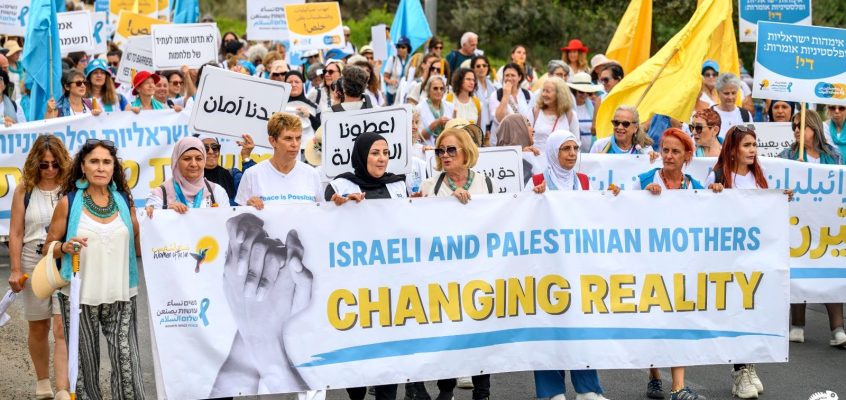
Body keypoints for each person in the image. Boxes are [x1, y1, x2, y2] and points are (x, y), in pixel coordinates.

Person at [44, 138, 145, 400]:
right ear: (83, 167)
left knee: (127, 362)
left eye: (107, 162)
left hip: (122, 294)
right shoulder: (68, 202)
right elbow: (48, 247)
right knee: (85, 366)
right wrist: (64, 247)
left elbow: (138, 245)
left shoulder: (124, 201)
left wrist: (154, 222)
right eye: (94, 161)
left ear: (114, 167)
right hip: (79, 296)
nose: (101, 167)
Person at [617, 129, 704, 400]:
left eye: (675, 151)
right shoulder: (645, 179)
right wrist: (642, 197)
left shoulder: (695, 186)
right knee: (653, 321)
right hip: (648, 265)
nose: (668, 156)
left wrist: (716, 193)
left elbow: (712, 214)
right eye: (665, 150)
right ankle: (654, 375)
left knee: (679, 319)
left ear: (687, 156)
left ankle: (678, 387)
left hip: (681, 266)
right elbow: (618, 207)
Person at [526, 132, 611, 400]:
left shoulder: (584, 182)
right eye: (565, 149)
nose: (572, 153)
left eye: (575, 148)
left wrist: (613, 198)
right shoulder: (536, 182)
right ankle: (551, 391)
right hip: (548, 268)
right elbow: (523, 219)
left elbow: (596, 216)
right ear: (554, 152)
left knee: (581, 324)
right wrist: (534, 199)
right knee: (548, 326)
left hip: (578, 266)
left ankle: (588, 388)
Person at [705, 125, 780, 399]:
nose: (752, 150)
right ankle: (739, 372)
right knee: (737, 312)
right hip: (728, 259)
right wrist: (712, 192)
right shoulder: (718, 175)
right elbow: (701, 210)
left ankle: (749, 365)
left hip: (755, 257)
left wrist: (780, 199)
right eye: (747, 145)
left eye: (754, 145)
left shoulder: (759, 176)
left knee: (753, 311)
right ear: (733, 150)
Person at [419, 128, 493, 399]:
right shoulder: (430, 186)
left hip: (478, 270)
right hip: (444, 271)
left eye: (451, 149)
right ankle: (446, 389)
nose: (445, 155)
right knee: (447, 331)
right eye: (441, 150)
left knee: (480, 330)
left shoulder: (485, 183)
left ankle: (482, 391)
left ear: (466, 152)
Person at [8, 135, 71, 400]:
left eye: (55, 163)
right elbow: (16, 233)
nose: (50, 169)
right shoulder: (25, 189)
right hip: (33, 261)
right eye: (44, 164)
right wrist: (15, 269)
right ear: (36, 163)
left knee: (61, 326)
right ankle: (42, 381)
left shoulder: (71, 187)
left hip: (63, 260)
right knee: (38, 325)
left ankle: (63, 388)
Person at [781, 111, 846, 349]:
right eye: (794, 127)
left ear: (815, 128)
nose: (797, 131)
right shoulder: (786, 156)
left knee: (829, 270)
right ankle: (797, 325)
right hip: (797, 224)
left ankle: (837, 329)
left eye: (802, 126)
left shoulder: (833, 156)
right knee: (798, 270)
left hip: (827, 225)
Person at [235, 112, 322, 209]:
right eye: (288, 138)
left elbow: (321, 213)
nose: (295, 144)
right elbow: (239, 215)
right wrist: (248, 207)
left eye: (298, 138)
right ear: (272, 141)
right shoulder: (252, 174)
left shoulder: (312, 174)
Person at [144, 137, 228, 217]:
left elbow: (226, 223)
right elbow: (152, 222)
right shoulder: (160, 195)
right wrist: (166, 212)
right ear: (176, 161)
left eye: (199, 158)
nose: (193, 164)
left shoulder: (217, 192)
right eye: (187, 159)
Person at [201, 135, 256, 206]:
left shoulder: (232, 174)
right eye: (205, 148)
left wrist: (246, 156)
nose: (211, 151)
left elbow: (254, 186)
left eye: (215, 147)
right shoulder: (191, 179)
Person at [489, 62, 533, 146]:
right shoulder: (496, 95)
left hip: (523, 142)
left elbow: (531, 120)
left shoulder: (528, 95)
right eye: (507, 75)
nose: (509, 78)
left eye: (513, 75)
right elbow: (499, 118)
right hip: (501, 142)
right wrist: (506, 95)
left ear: (519, 77)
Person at [532, 77, 579, 152]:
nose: (543, 94)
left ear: (559, 94)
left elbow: (576, 142)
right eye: (543, 90)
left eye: (548, 91)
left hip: (560, 159)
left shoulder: (570, 115)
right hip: (536, 157)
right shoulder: (535, 111)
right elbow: (526, 138)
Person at [497, 113, 541, 185]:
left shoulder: (531, 155)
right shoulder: (498, 163)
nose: (533, 130)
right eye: (528, 125)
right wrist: (521, 156)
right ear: (517, 129)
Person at [285, 71, 321, 151]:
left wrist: (310, 116)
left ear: (302, 84)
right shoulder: (279, 105)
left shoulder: (314, 106)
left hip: (308, 150)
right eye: (290, 82)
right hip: (285, 150)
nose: (293, 85)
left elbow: (320, 129)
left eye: (297, 82)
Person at [567, 72, 603, 151]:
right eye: (581, 91)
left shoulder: (594, 106)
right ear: (574, 91)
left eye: (588, 92)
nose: (585, 94)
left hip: (592, 152)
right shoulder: (567, 109)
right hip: (572, 150)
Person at [711, 73, 751, 139]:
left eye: (733, 93)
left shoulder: (746, 115)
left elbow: (750, 139)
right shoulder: (709, 114)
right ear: (718, 93)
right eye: (726, 93)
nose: (730, 97)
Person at [417, 76, 454, 147]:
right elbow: (419, 138)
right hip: (428, 149)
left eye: (441, 88)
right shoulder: (419, 108)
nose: (439, 91)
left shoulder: (450, 107)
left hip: (446, 149)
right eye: (435, 88)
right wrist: (436, 123)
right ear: (428, 90)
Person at [384, 36, 412, 105]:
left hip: (405, 92)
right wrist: (391, 81)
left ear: (408, 49)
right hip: (392, 93)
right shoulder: (392, 59)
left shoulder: (411, 60)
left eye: (403, 47)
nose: (400, 49)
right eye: (398, 47)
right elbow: (384, 77)